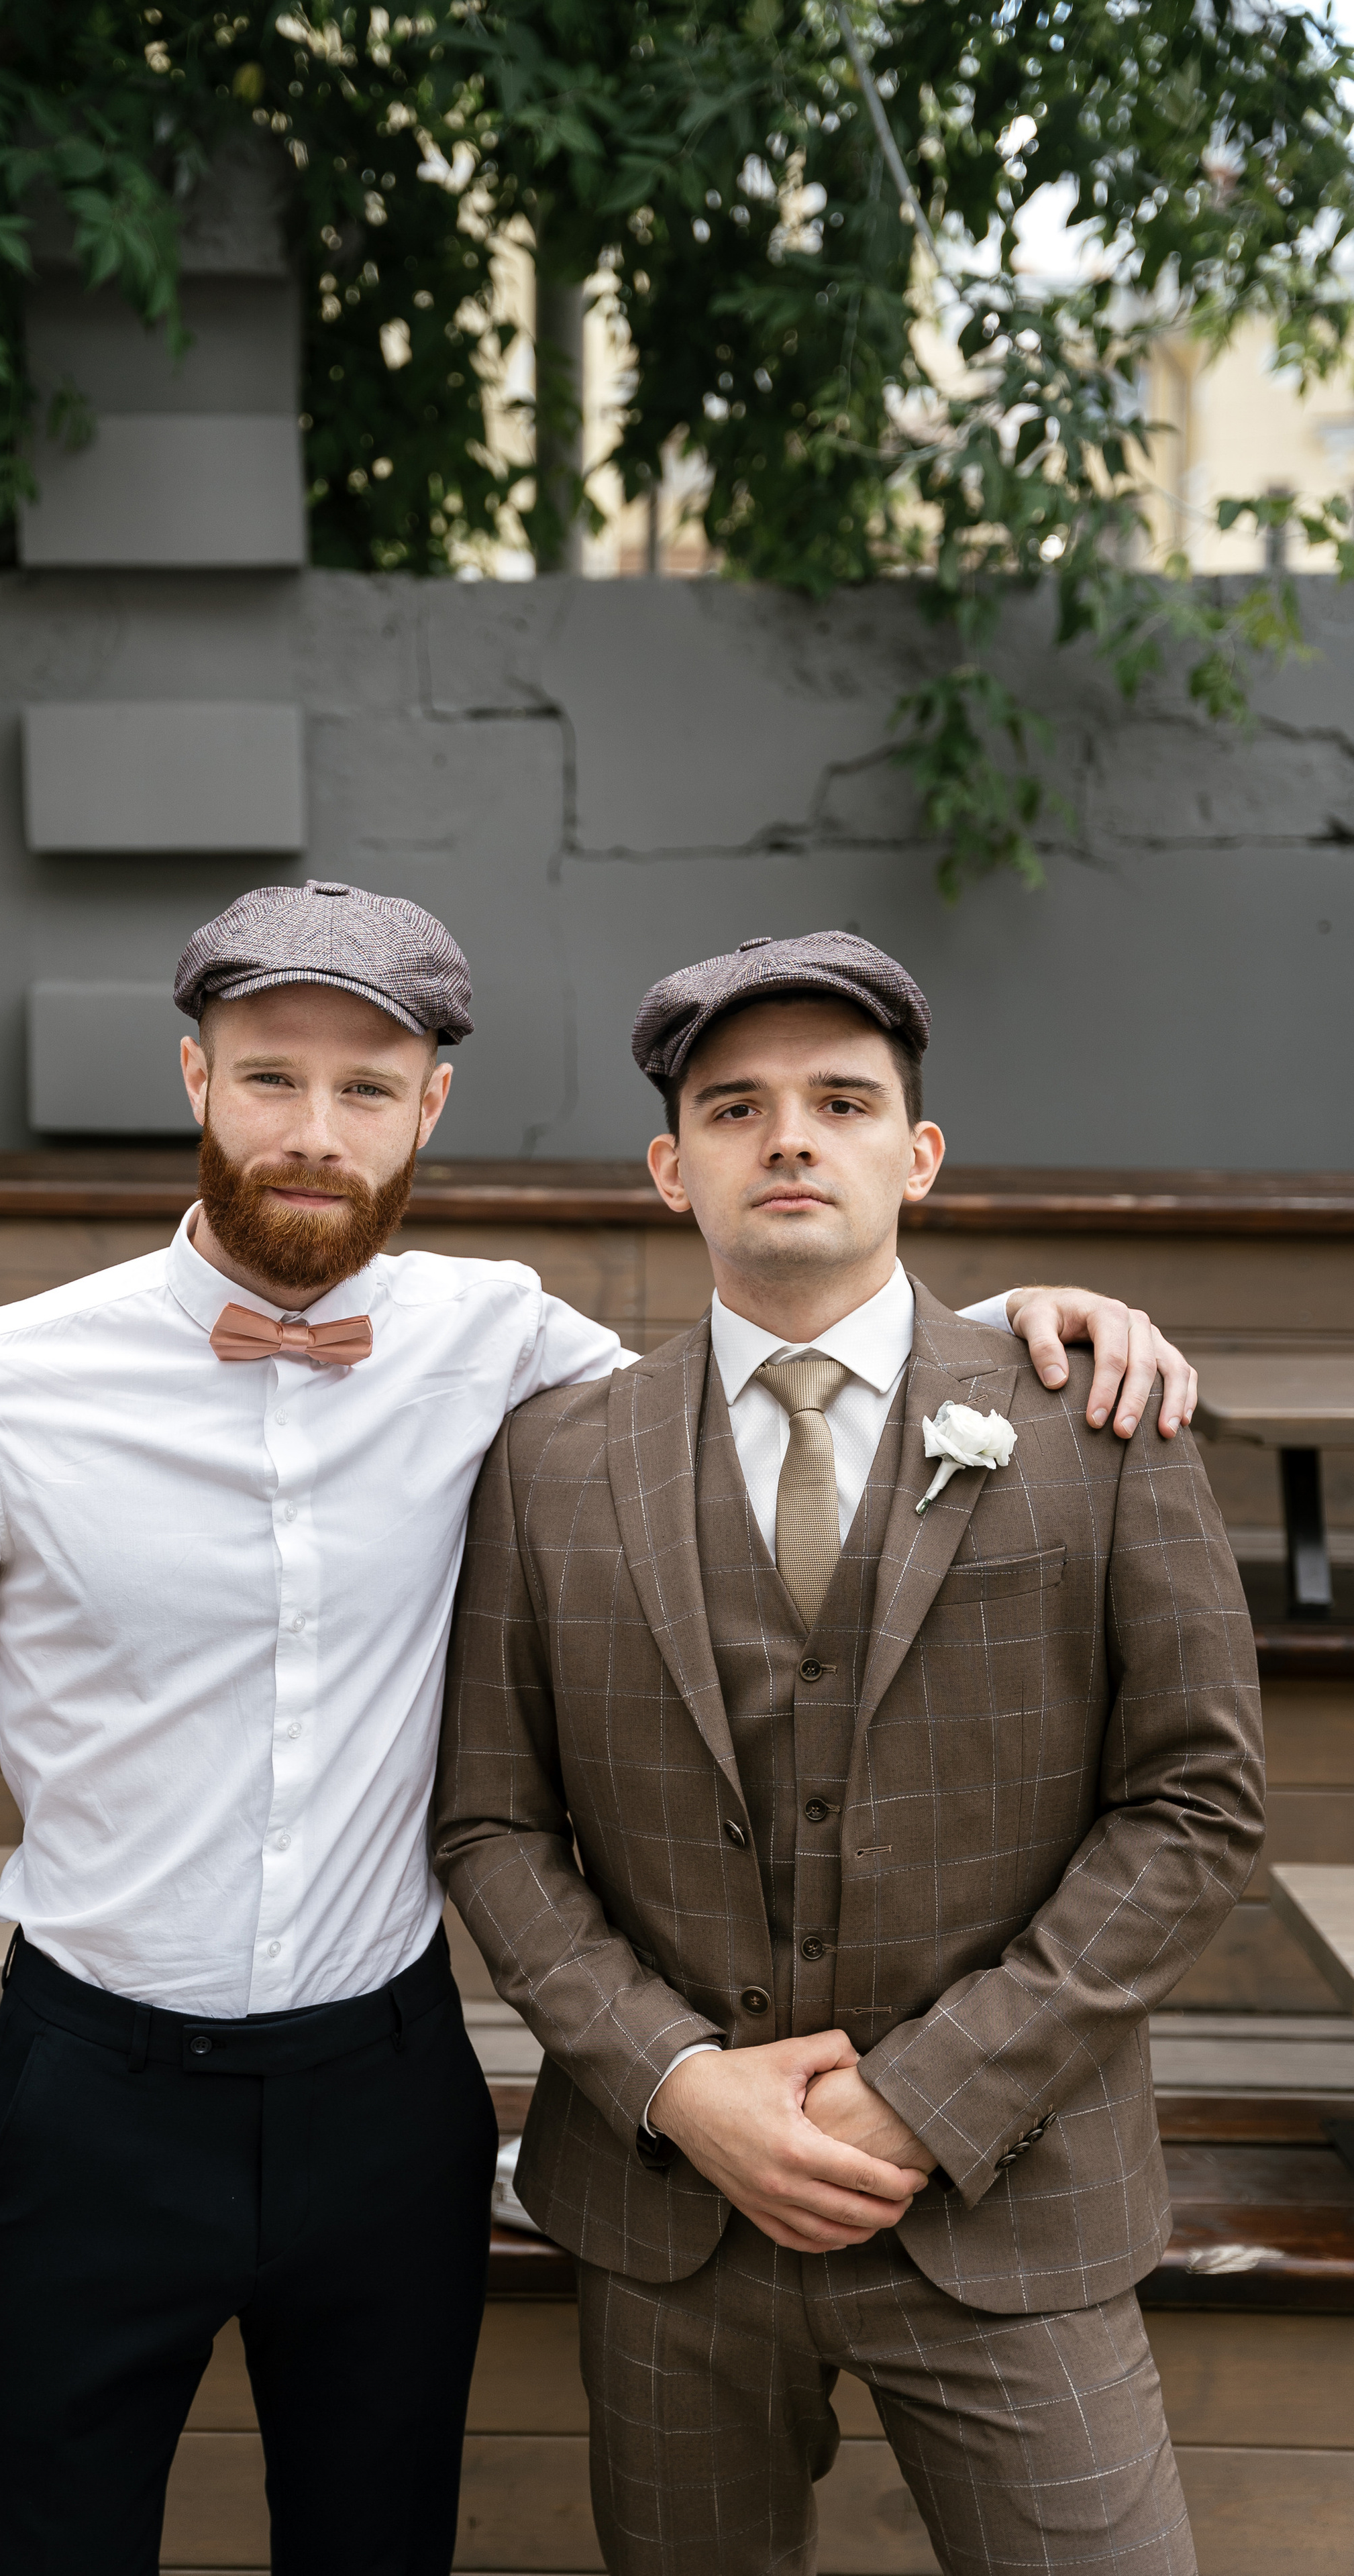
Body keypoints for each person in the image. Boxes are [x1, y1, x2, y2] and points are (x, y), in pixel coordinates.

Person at [0, 888, 1201, 2576]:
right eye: (269, 1077)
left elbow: (793, 1361)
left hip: (379, 2099)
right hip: (88, 2094)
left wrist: (1019, 1327)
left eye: (366, 1088)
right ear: (196, 1081)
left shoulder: (501, 1338)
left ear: (429, 1107)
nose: (315, 1131)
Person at [433, 929, 1263, 2576]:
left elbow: (1192, 1806)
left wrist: (926, 2097)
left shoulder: (1094, 1419)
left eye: (839, 1101)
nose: (788, 1140)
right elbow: (491, 1828)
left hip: (1008, 2201)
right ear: (670, 1170)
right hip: (673, 2221)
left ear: (917, 1153)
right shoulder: (548, 1459)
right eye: (733, 1110)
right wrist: (676, 2083)